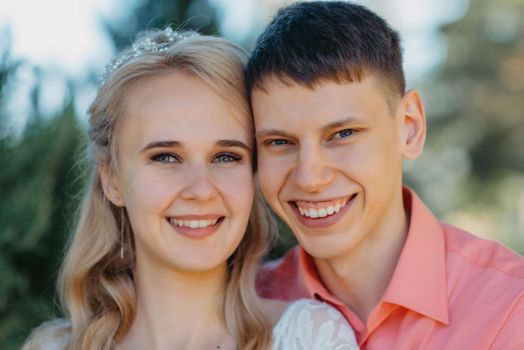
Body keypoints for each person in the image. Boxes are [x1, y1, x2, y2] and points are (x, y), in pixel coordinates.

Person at [22, 28, 358, 350]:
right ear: (112, 180)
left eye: (226, 156)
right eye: (166, 157)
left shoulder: (311, 339)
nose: (201, 190)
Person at [248, 1, 524, 349]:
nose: (309, 178)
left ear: (409, 127)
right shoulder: (242, 306)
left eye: (343, 134)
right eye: (279, 141)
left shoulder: (511, 310)